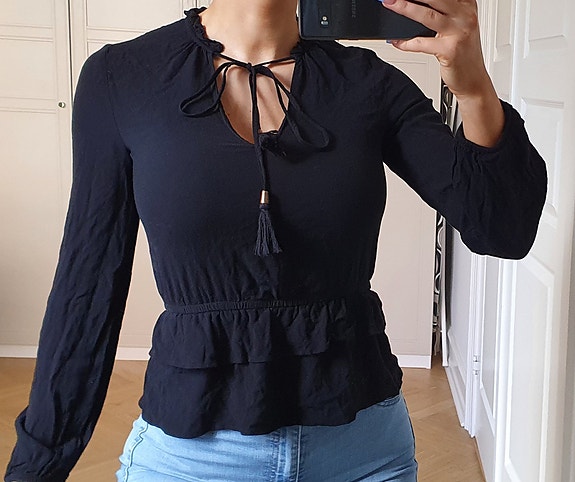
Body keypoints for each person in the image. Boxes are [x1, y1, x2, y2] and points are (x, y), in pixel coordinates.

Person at [5, 0, 547, 480]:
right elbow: (87, 288)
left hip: (362, 453)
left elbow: (503, 228)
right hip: (193, 456)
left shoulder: (368, 82)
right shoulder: (121, 78)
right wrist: (37, 466)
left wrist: (473, 86)